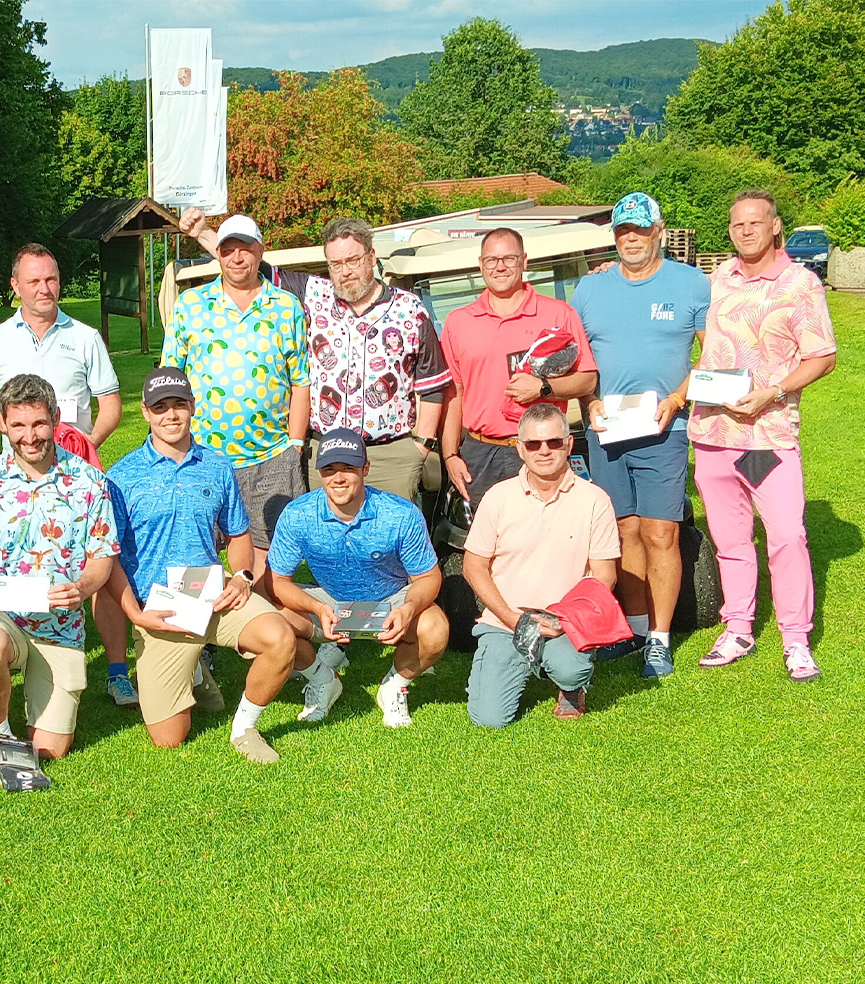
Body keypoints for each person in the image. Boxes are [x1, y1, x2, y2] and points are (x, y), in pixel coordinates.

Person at [104, 370, 329, 762]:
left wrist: (242, 576)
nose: (170, 415)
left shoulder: (216, 466)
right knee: (169, 739)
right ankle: (194, 671)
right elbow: (108, 557)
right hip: (161, 608)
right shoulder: (120, 477)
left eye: (178, 404)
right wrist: (137, 615)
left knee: (279, 638)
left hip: (212, 592)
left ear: (192, 407)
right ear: (144, 413)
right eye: (160, 407)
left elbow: (239, 533)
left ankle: (244, 729)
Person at [0, 244, 136, 708]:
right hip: (13, 486)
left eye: (52, 278)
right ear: (15, 286)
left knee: (99, 564)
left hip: (73, 477)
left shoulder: (85, 336)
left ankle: (117, 669)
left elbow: (111, 404)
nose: (45, 289)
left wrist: (85, 447)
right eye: (34, 281)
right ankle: (10, 648)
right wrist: (14, 427)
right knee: (18, 568)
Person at [178, 210, 450, 503]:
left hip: (388, 457)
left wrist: (420, 447)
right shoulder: (313, 295)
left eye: (352, 260)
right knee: (323, 542)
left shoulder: (410, 309)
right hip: (324, 454)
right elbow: (250, 264)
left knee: (386, 543)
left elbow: (432, 384)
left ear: (371, 257)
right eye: (335, 264)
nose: (345, 271)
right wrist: (203, 233)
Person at [687, 189, 837, 680]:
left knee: (788, 536)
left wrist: (773, 392)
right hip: (713, 431)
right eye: (736, 225)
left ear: (775, 226)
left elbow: (822, 356)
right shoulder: (716, 280)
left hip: (769, 434)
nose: (746, 231)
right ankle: (738, 628)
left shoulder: (801, 283)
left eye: (755, 223)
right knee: (730, 541)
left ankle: (796, 639)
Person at [572, 193, 712, 679]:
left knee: (660, 532)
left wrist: (676, 400)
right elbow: (577, 360)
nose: (630, 239)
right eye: (621, 231)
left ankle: (659, 638)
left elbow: (713, 356)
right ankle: (631, 630)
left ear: (659, 230)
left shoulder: (692, 284)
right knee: (623, 531)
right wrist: (585, 401)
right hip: (605, 428)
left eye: (639, 229)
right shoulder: (590, 290)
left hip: (663, 428)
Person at [0, 374, 118, 774]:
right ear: (4, 424)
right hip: (2, 616)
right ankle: (0, 739)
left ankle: (36, 707)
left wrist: (81, 588)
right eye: (19, 425)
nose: (30, 436)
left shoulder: (90, 482)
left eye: (40, 423)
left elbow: (101, 559)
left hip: (59, 626)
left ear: (57, 418)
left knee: (51, 749)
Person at [160, 214, 310, 586]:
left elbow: (301, 381)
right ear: (219, 256)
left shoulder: (287, 306)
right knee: (198, 547)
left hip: (271, 455)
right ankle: (202, 635)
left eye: (246, 249)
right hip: (202, 454)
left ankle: (255, 625)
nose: (237, 258)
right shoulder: (190, 305)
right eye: (229, 250)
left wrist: (295, 444)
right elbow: (169, 378)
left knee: (268, 550)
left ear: (261, 252)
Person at [266, 428, 449, 729]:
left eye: (348, 468)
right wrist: (316, 608)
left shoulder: (401, 514)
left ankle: (394, 684)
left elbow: (428, 577)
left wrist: (407, 609)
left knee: (435, 629)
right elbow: (277, 581)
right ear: (319, 472)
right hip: (328, 601)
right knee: (265, 619)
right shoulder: (297, 514)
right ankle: (323, 679)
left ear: (365, 468)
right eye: (329, 469)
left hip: (389, 599)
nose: (338, 478)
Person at [461, 404, 621, 728]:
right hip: (506, 622)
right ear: (520, 449)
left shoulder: (595, 500)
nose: (544, 451)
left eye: (553, 442)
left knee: (570, 667)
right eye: (533, 444)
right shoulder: (497, 497)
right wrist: (511, 618)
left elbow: (605, 575)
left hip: (564, 622)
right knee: (488, 720)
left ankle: (571, 685)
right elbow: (472, 566)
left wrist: (566, 620)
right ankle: (515, 662)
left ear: (569, 444)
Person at [440, 229, 598, 506]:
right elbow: (455, 393)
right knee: (492, 542)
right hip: (481, 451)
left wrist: (544, 388)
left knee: (548, 538)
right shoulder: (458, 322)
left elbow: (587, 381)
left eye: (509, 258)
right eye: (491, 260)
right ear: (480, 265)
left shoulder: (559, 314)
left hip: (543, 449)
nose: (499, 267)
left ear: (524, 261)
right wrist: (450, 455)